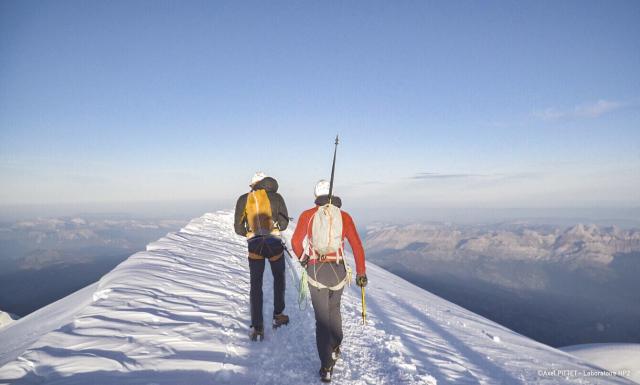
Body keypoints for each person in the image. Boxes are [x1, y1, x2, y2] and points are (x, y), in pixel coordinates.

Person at [291, 180, 367, 382]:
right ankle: (335, 346)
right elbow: (357, 246)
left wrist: (305, 261)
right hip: (338, 270)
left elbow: (295, 242)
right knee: (334, 310)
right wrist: (361, 273)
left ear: (316, 195)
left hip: (316, 270)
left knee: (322, 320)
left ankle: (326, 367)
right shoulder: (344, 216)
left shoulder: (308, 215)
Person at [234, 172, 290, 341]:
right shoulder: (277, 197)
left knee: (256, 284)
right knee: (279, 278)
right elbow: (285, 223)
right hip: (274, 244)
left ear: (253, 185)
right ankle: (278, 315)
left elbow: (238, 228)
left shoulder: (244, 198)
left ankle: (257, 327)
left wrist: (251, 234)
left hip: (255, 245)